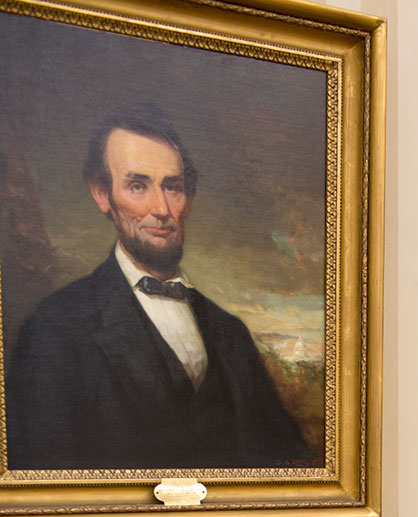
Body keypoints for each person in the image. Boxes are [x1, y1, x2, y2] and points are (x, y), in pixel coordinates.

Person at [7, 103, 309, 473]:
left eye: (173, 187)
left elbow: (290, 467)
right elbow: (42, 482)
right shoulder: (55, 328)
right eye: (138, 186)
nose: (161, 208)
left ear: (189, 197)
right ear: (102, 194)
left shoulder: (229, 333)